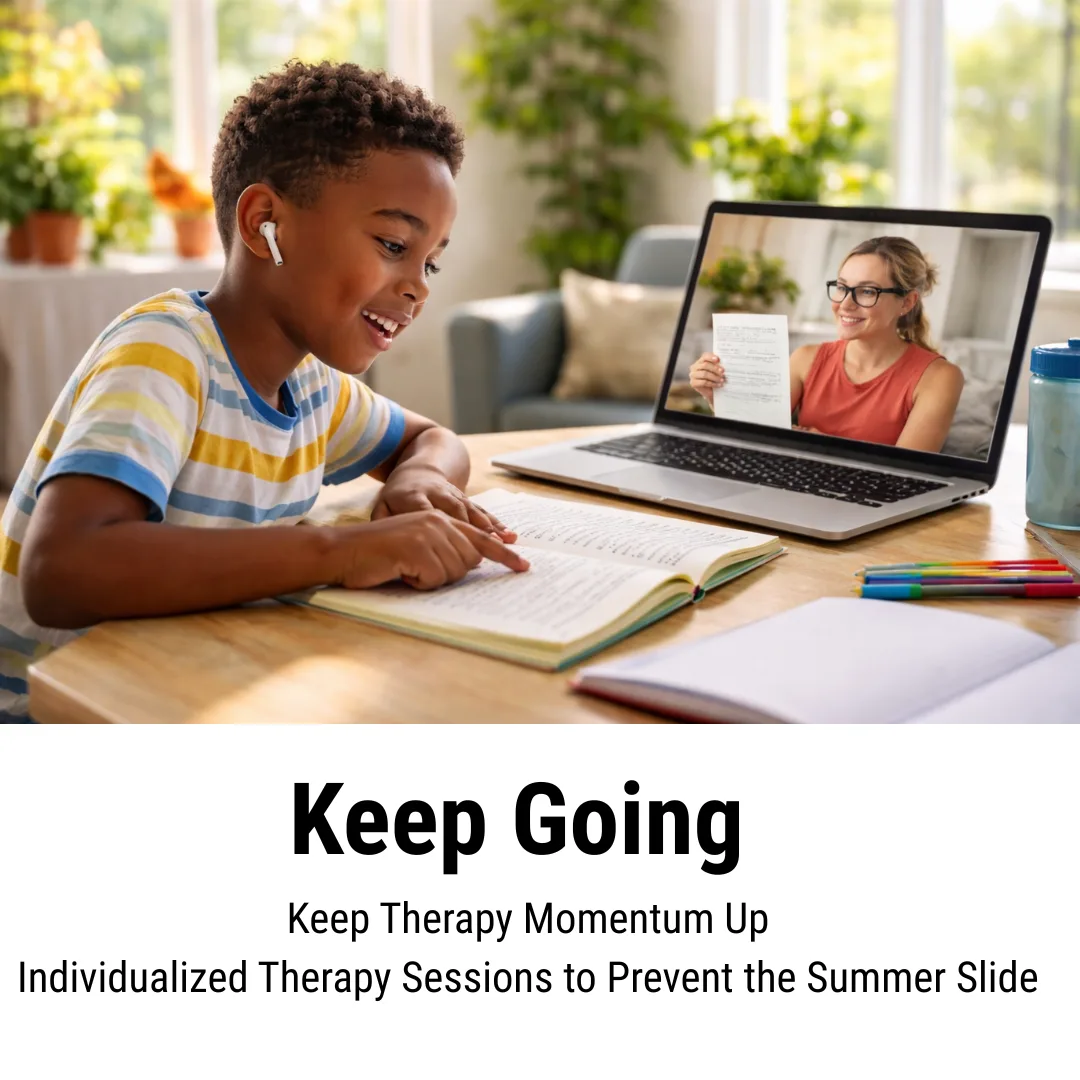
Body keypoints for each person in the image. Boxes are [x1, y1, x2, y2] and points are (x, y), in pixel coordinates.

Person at [0, 62, 529, 721]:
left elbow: (432, 439)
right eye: (394, 243)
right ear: (262, 224)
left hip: (183, 689)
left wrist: (415, 484)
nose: (419, 285)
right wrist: (341, 551)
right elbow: (63, 570)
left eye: (431, 260)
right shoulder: (166, 353)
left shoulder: (310, 388)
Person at [689, 236, 964, 452]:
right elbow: (753, 442)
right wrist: (718, 397)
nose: (845, 304)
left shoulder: (939, 378)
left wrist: (827, 447)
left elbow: (909, 478)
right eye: (842, 287)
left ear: (907, 302)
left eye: (867, 291)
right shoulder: (805, 359)